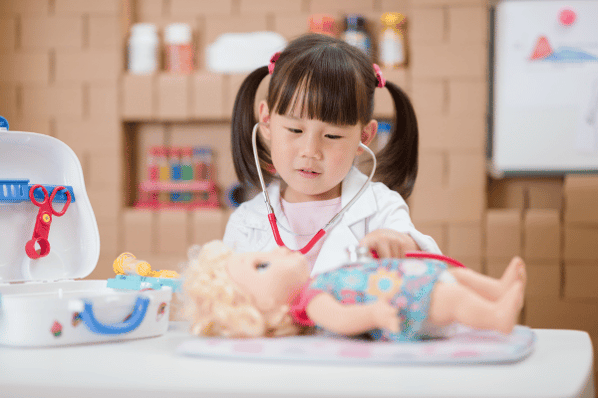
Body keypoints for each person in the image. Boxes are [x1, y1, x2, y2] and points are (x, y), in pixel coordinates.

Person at [224, 33, 440, 276]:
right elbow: (229, 299)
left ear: (364, 137)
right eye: (295, 129)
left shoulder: (382, 210)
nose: (310, 151)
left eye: (332, 136)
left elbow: (426, 271)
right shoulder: (245, 223)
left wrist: (402, 244)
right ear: (266, 122)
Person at [183, 240, 526, 341]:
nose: (276, 252)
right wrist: (374, 314)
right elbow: (344, 318)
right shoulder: (312, 303)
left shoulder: (318, 282)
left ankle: (496, 289)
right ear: (269, 308)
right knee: (452, 298)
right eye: (262, 266)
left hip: (412, 280)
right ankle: (496, 317)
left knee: (453, 276)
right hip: (409, 304)